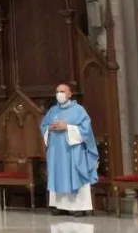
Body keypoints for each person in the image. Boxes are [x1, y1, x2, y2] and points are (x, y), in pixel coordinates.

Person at [40, 83, 99, 217]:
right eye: (57, 91)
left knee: (73, 174)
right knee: (57, 174)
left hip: (72, 151)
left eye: (62, 91)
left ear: (70, 94)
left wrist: (67, 127)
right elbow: (43, 126)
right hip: (56, 151)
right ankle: (59, 206)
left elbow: (86, 130)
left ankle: (78, 207)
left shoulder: (79, 110)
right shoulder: (53, 111)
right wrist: (49, 128)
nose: (59, 94)